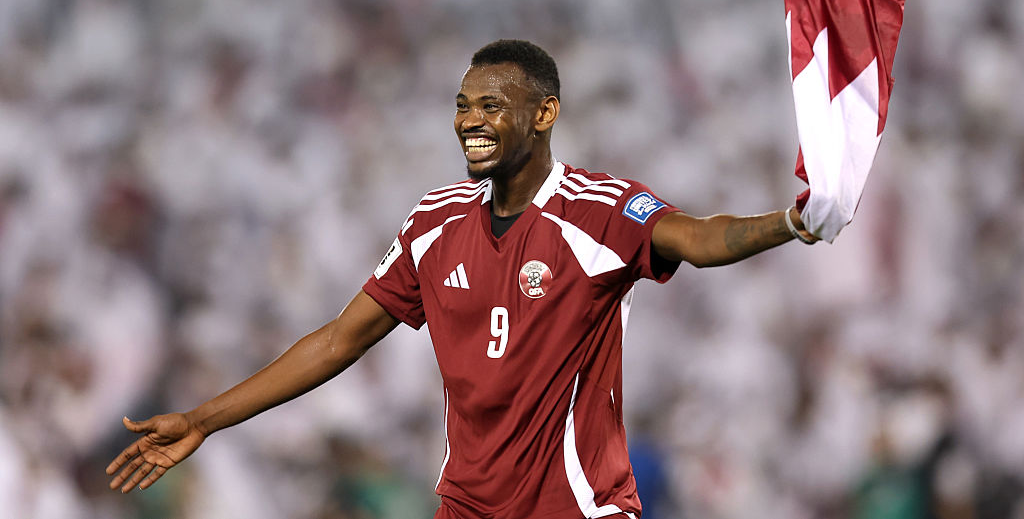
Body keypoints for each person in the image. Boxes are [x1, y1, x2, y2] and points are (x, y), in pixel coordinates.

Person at [107, 39, 818, 518]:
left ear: (544, 114)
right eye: (462, 105)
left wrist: (789, 221)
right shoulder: (434, 220)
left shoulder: (597, 211)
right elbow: (336, 342)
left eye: (490, 106)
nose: (469, 122)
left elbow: (699, 238)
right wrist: (202, 419)